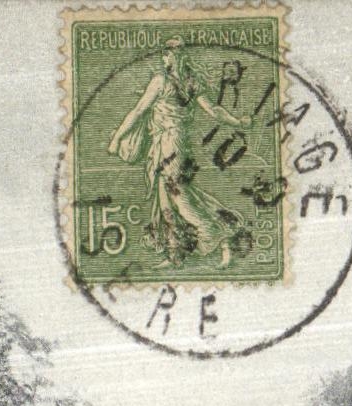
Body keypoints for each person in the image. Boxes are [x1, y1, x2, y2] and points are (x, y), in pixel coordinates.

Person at [107, 38, 251, 267]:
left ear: (174, 56)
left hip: (168, 144)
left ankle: (213, 234)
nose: (163, 59)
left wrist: (117, 138)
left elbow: (137, 111)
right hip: (177, 143)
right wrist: (239, 122)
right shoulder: (192, 81)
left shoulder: (160, 81)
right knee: (172, 198)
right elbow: (214, 111)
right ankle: (179, 253)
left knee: (177, 198)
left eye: (166, 54)